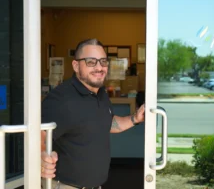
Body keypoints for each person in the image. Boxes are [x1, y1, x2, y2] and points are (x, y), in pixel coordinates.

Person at [40, 38, 145, 189]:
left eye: (103, 61)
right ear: (76, 65)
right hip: (65, 186)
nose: (99, 67)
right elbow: (38, 134)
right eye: (91, 62)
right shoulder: (61, 99)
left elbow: (107, 122)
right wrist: (41, 157)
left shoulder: (100, 93)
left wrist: (135, 118)